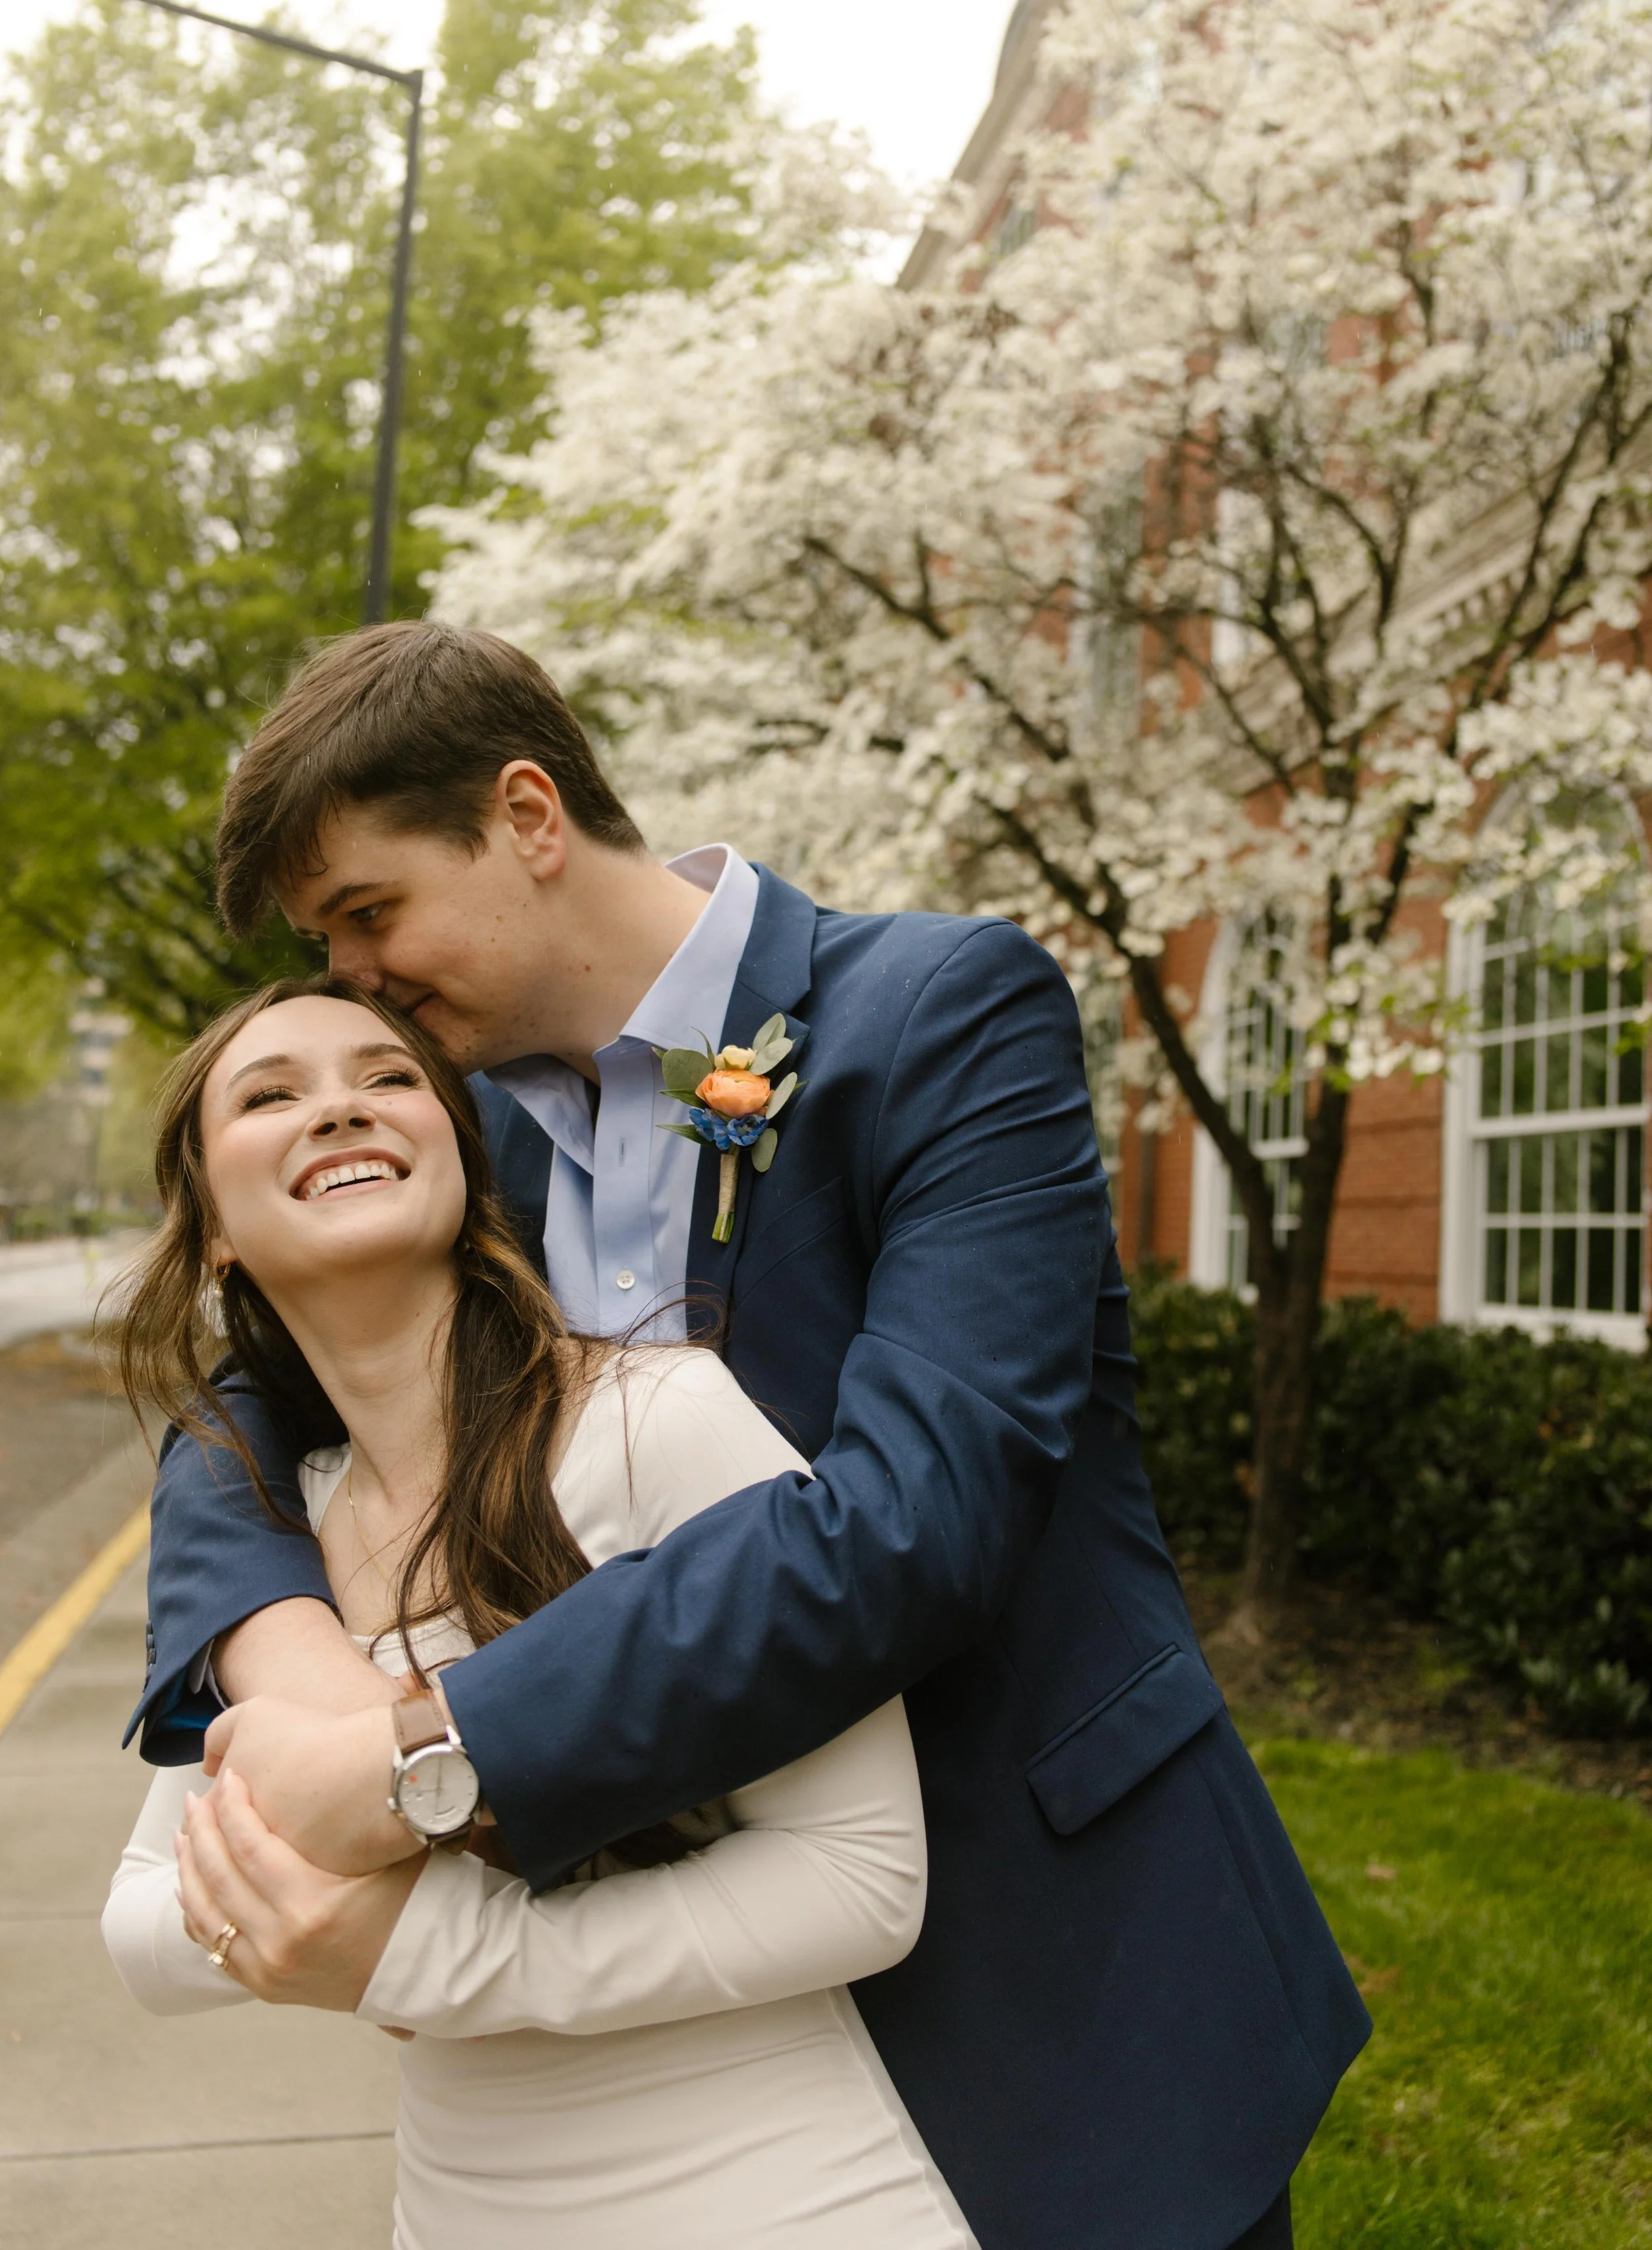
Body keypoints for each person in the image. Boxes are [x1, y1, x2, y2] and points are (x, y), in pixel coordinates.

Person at [130, 622, 1369, 2249]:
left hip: (1048, 1935)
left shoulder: (934, 1018)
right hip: (695, 2007)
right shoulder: (467, 1132)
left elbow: (916, 1521)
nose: (353, 978)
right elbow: (243, 1393)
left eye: (368, 914)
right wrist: (281, 1653)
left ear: (525, 816)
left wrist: (429, 1755)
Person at [106, 978, 975, 2247]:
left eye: (388, 1077)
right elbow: (141, 1924)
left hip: (776, 2187)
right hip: (461, 2206)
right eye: (271, 1093)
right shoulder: (276, 1541)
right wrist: (309, 1909)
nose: (340, 1106)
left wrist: (426, 1949)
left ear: (461, 1154)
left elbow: (863, 1877)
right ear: (215, 1228)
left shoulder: (658, 1420)